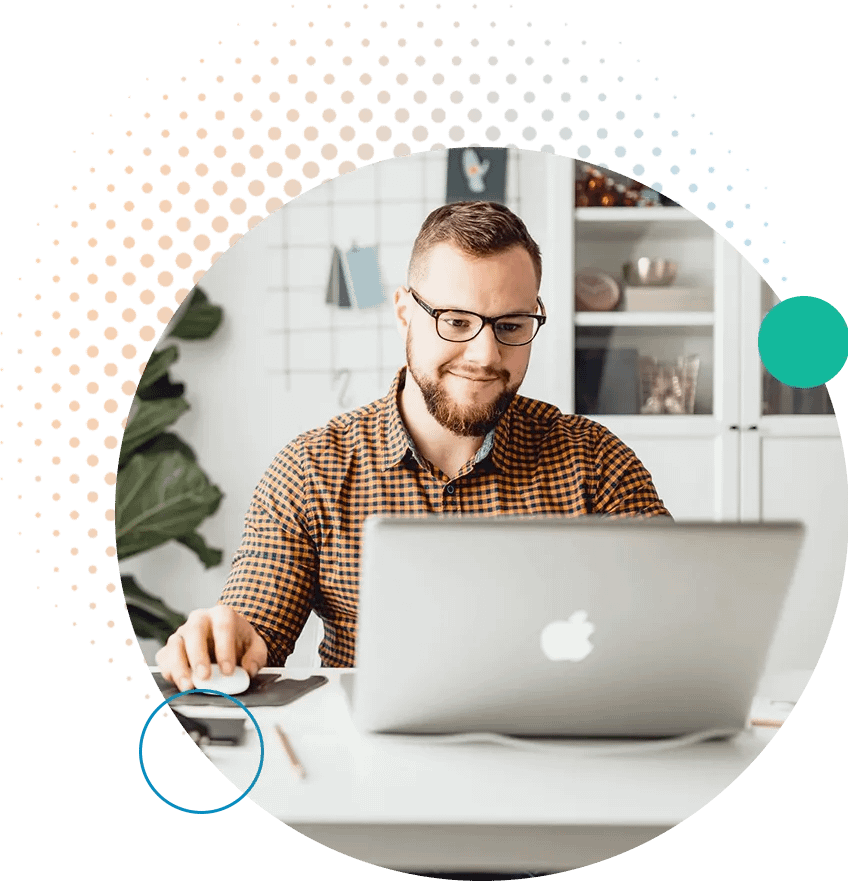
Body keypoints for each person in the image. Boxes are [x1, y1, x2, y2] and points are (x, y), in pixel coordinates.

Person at [156, 201, 671, 881]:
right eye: (455, 321)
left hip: (564, 799)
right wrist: (224, 639)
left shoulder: (595, 460)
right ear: (404, 311)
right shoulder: (311, 468)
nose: (486, 355)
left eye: (512, 326)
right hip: (367, 802)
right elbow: (255, 630)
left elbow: (676, 626)